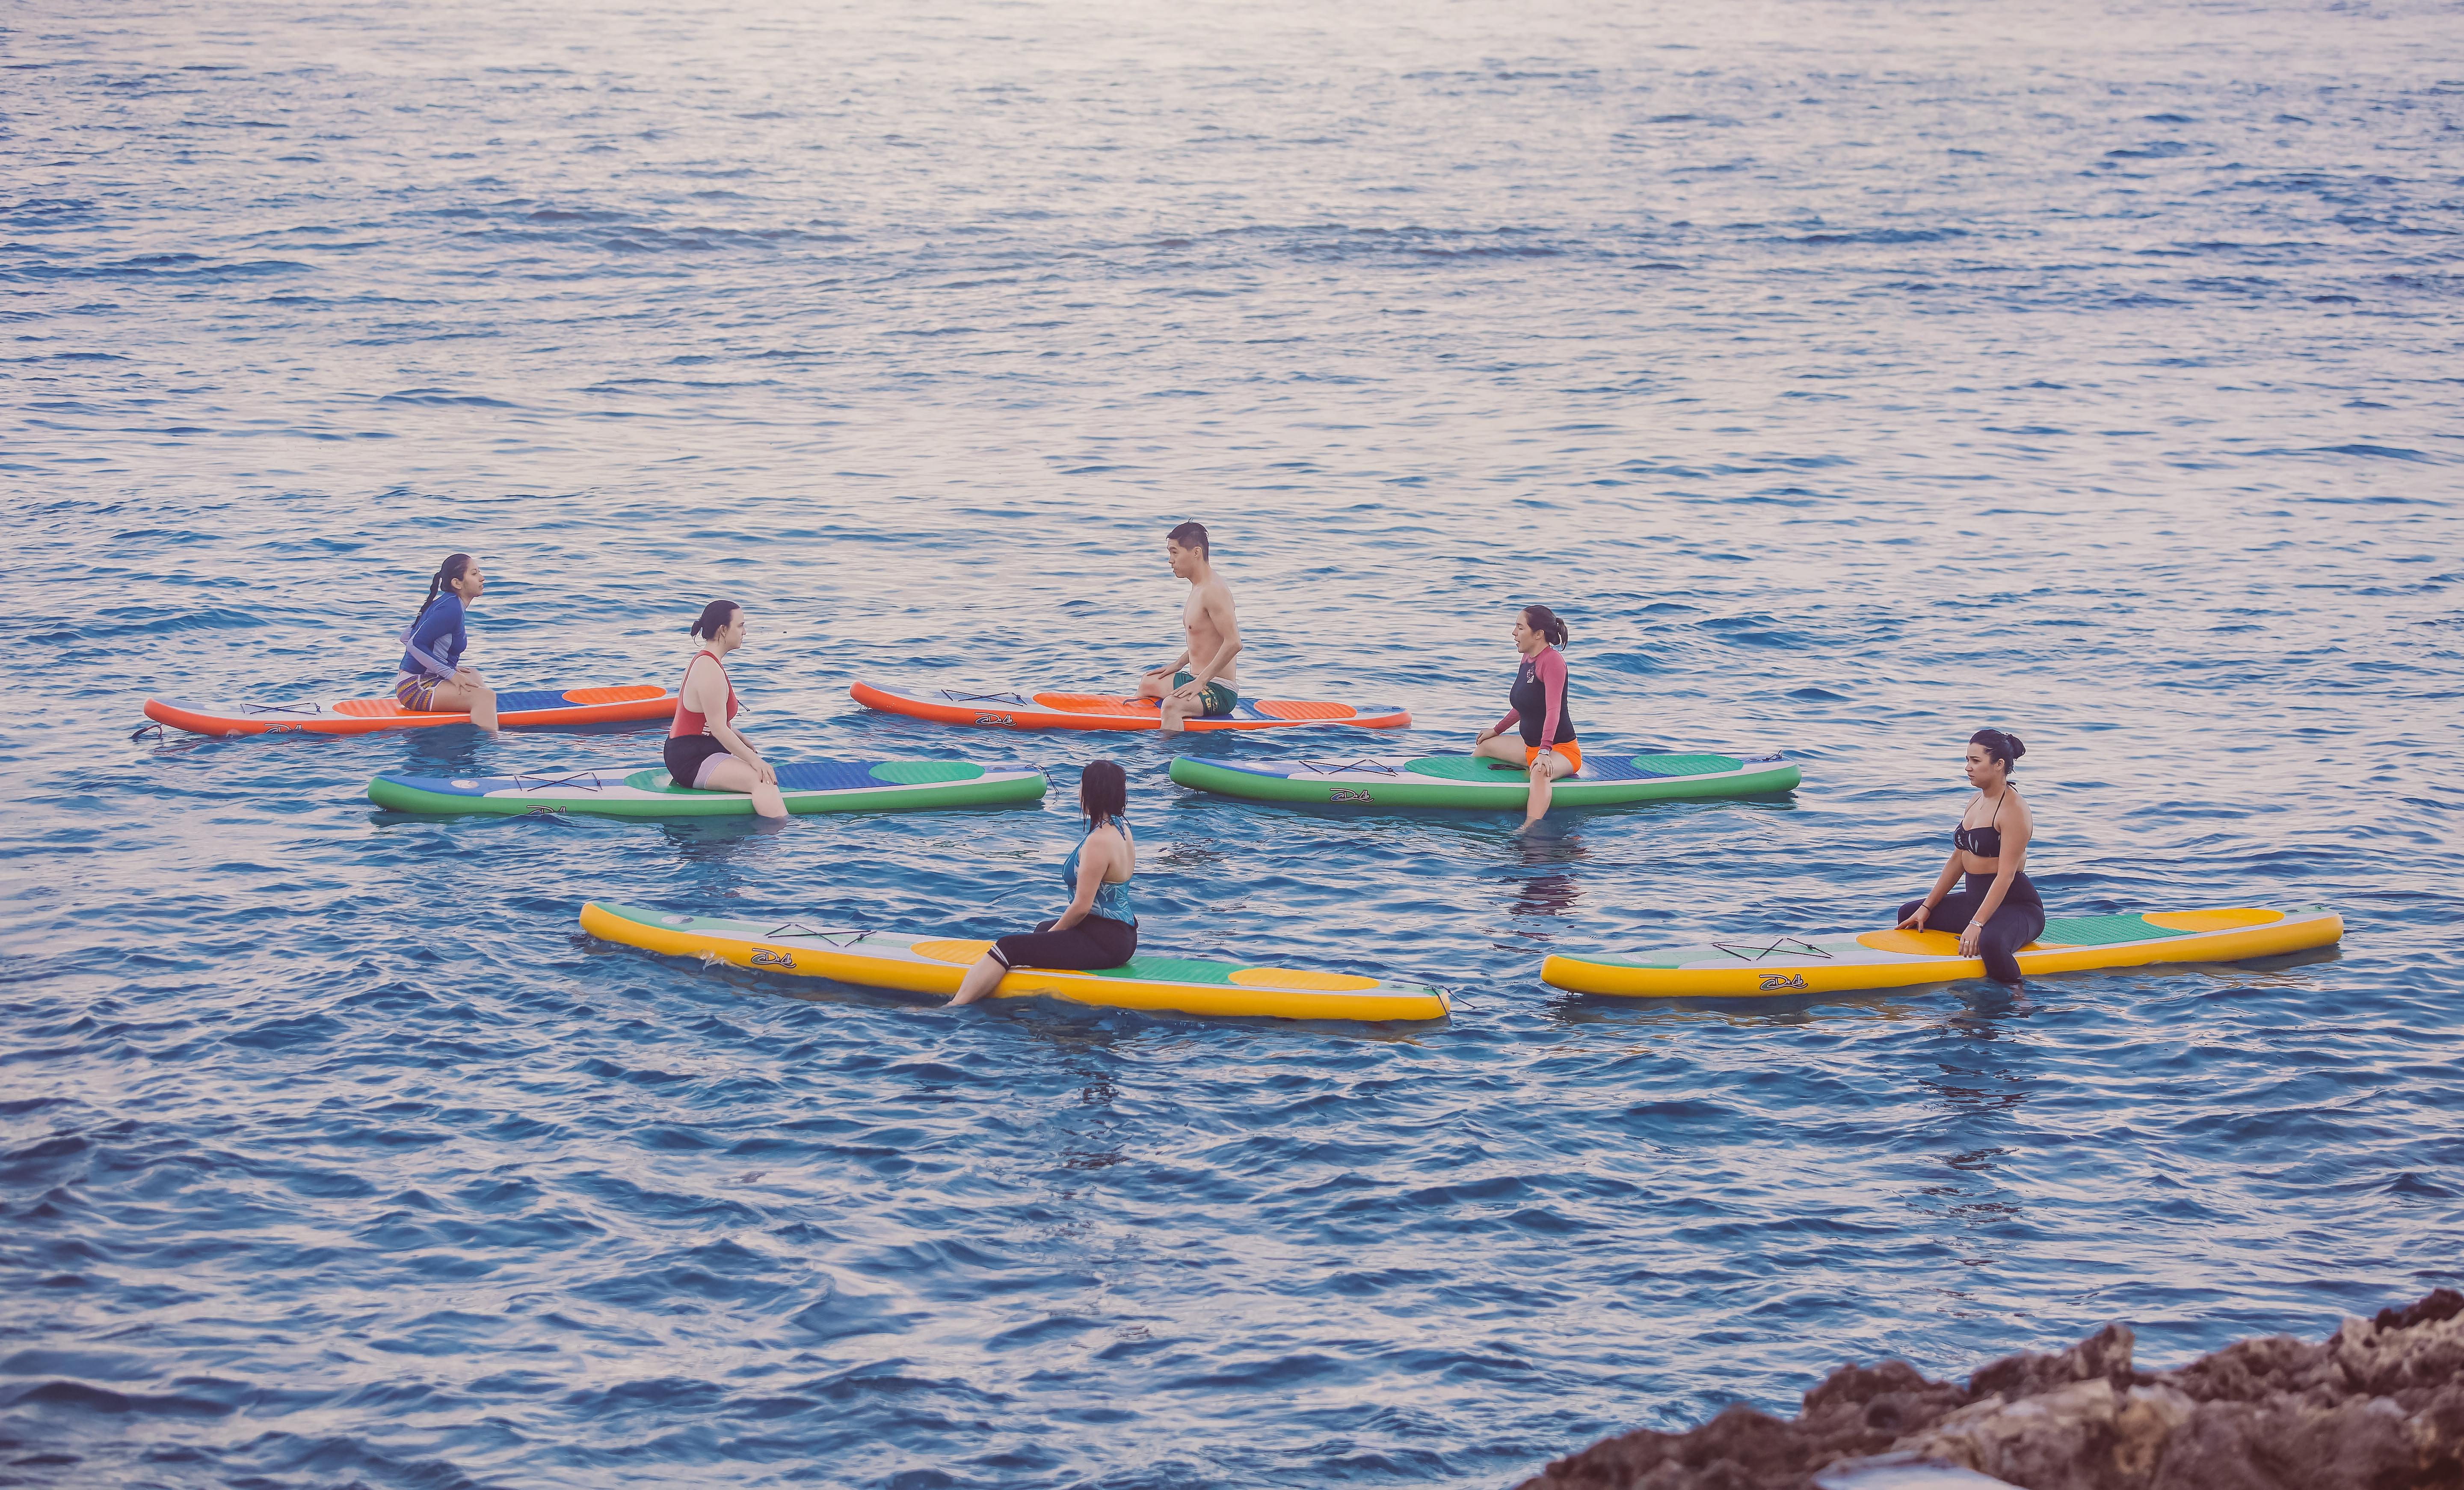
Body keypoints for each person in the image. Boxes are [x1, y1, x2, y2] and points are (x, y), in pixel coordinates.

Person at [950, 760, 1137, 1005]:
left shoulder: (1099, 842)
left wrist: (1052, 935)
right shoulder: (1122, 828)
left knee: (1008, 946)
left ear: (1092, 791)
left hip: (1106, 940)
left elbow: (1082, 907)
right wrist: (1047, 935)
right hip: (1121, 934)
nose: (1078, 791)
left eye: (1081, 785)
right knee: (1041, 929)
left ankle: (954, 1006)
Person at [1895, 729, 2045, 985]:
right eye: (1967, 760)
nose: (1968, 768)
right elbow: (1957, 860)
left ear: (1999, 765)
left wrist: (1977, 924)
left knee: (1992, 942)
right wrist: (1927, 907)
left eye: (1976, 761)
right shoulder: (1976, 801)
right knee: (1909, 915)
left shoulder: (2014, 811)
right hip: (1976, 900)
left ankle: (2018, 1000)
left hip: (2016, 907)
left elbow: (2006, 876)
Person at [666, 600, 786, 819]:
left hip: (697, 751)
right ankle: (773, 846)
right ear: (723, 630)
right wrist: (754, 760)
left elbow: (708, 720)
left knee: (758, 770)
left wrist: (739, 737)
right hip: (692, 759)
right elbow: (718, 729)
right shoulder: (709, 669)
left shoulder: (708, 662)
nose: (745, 632)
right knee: (763, 780)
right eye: (740, 626)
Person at [1472, 604, 1580, 829]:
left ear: (1538, 634)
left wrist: (1544, 752)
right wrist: (1496, 731)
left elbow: (1554, 711)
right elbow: (1524, 706)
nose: (1514, 633)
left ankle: (1530, 828)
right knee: (1485, 746)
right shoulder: (1528, 659)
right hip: (1530, 747)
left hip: (1560, 750)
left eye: (1520, 628)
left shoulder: (1553, 662)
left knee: (1540, 771)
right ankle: (1472, 792)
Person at [1135, 521, 1241, 733]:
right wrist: (1177, 665)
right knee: (1149, 681)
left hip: (1219, 689)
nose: (1170, 560)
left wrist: (1199, 683)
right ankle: (1137, 726)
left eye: (1175, 553)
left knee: (1172, 706)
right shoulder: (1198, 587)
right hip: (1196, 678)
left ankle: (1169, 757)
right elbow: (1204, 639)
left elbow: (1234, 643)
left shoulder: (1214, 591)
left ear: (1196, 552)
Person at [396, 553, 499, 731]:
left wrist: (443, 665)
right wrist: (449, 673)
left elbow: (405, 637)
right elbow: (413, 644)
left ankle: (485, 716)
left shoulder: (448, 603)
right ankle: (493, 744)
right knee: (485, 697)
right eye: (474, 574)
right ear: (457, 583)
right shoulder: (451, 609)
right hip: (415, 688)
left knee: (472, 675)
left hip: (419, 680)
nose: (482, 578)